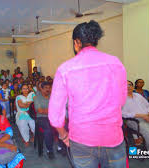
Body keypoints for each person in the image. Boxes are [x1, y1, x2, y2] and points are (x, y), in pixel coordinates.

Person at [48, 20, 127, 168]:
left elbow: (54, 114)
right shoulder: (115, 63)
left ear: (76, 42)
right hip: (112, 136)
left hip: (81, 139)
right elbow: (121, 100)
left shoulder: (66, 69)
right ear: (95, 40)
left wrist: (63, 135)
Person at [122, 80, 149, 151]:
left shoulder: (138, 96)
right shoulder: (120, 99)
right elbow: (122, 113)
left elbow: (148, 106)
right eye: (126, 85)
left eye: (130, 85)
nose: (128, 87)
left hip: (148, 118)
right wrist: (141, 115)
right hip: (134, 120)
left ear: (133, 87)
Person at [34, 81, 55, 159]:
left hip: (52, 116)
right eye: (46, 88)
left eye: (49, 88)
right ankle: (50, 150)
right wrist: (52, 110)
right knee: (48, 129)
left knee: (64, 125)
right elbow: (40, 111)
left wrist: (49, 110)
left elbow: (57, 107)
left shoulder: (52, 96)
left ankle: (60, 147)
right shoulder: (37, 97)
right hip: (41, 117)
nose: (48, 89)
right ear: (41, 89)